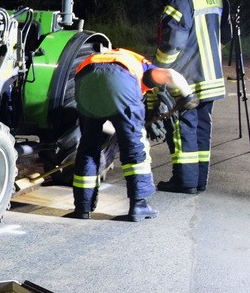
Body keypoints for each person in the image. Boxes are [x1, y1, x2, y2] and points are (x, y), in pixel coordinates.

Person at [71, 46, 198, 222]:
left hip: (84, 80)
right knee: (134, 145)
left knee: (88, 147)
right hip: (119, 79)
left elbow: (107, 113)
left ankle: (82, 207)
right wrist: (188, 96)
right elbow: (170, 74)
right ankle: (139, 205)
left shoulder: (111, 56)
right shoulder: (144, 67)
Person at [153, 0, 231, 194]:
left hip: (187, 77)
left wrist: (161, 69)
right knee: (201, 129)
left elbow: (173, 41)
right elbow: (225, 35)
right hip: (212, 77)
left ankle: (185, 181)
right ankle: (199, 180)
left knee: (181, 127)